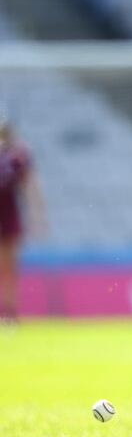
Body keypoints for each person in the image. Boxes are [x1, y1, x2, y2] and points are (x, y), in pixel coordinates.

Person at [0, 118, 46, 323]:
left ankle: (10, 312)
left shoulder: (18, 155)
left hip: (9, 215)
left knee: (9, 267)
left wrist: (37, 216)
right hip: (9, 214)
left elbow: (29, 186)